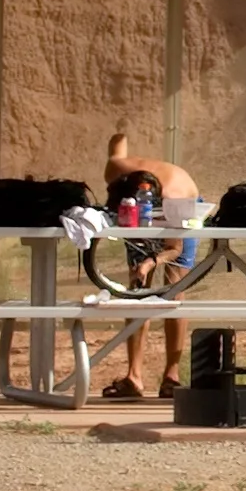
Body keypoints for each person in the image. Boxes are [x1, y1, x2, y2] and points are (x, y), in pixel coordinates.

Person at [103, 131, 203, 400]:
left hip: (182, 207)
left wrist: (152, 260)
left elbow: (175, 248)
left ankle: (171, 376)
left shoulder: (175, 199)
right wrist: (121, 129)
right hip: (136, 202)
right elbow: (116, 149)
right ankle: (133, 376)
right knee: (137, 292)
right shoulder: (116, 172)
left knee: (174, 290)